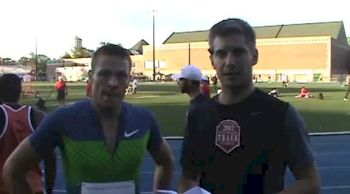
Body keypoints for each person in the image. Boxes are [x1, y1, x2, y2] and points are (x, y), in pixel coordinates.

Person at [3, 44, 175, 194]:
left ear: (129, 79)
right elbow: (13, 169)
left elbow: (166, 162)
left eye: (121, 75)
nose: (113, 83)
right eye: (104, 74)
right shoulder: (63, 119)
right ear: (91, 76)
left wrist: (160, 191)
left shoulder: (144, 119)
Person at [178, 18, 320, 194]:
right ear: (212, 59)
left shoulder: (281, 113)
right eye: (221, 53)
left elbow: (309, 181)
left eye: (238, 52)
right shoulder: (198, 115)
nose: (229, 61)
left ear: (254, 56)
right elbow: (188, 179)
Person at [0, 74, 56, 194]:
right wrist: (49, 189)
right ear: (20, 91)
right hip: (33, 187)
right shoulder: (37, 116)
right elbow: (50, 158)